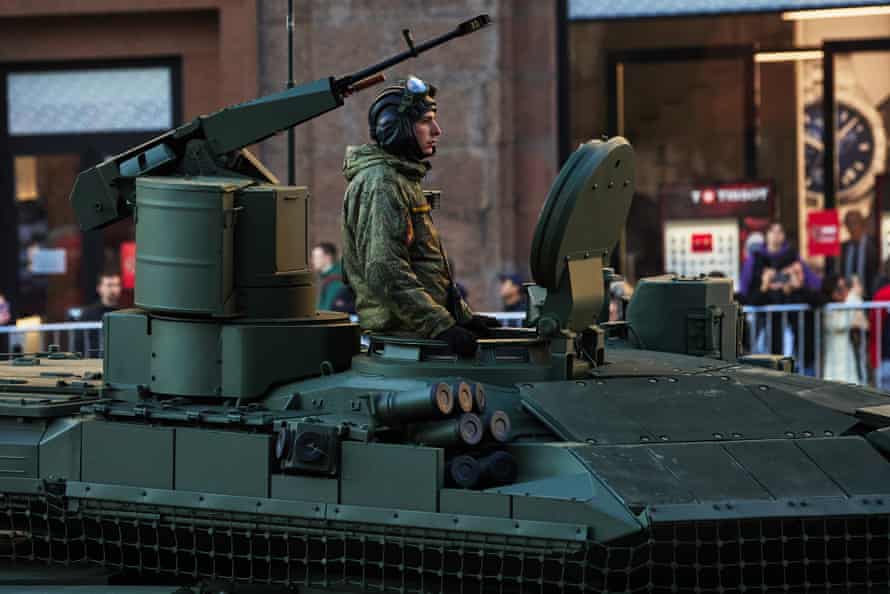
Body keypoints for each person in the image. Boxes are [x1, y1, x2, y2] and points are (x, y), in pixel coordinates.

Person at [341, 76, 497, 357]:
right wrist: (441, 326)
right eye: (426, 121)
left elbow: (424, 264)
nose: (437, 130)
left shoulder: (399, 178)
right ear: (396, 128)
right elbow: (385, 269)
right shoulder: (381, 182)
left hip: (419, 336)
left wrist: (460, 317)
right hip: (408, 343)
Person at [742, 222, 822, 371]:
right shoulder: (756, 259)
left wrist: (796, 285)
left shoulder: (794, 258)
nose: (775, 236)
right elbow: (747, 292)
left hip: (794, 322)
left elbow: (815, 287)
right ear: (766, 235)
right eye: (772, 232)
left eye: (779, 232)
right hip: (767, 322)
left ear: (784, 236)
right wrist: (765, 286)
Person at [822, 274, 867, 384]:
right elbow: (839, 324)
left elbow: (863, 323)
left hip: (847, 358)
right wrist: (853, 293)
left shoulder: (847, 305)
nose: (844, 291)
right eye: (839, 288)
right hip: (833, 362)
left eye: (845, 287)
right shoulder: (826, 309)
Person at [70, 272, 122, 356]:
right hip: (92, 361)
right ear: (99, 288)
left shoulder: (124, 313)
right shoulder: (88, 314)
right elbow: (78, 342)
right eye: (109, 285)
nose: (113, 289)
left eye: (117, 285)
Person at [840, 209, 879, 299]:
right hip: (848, 296)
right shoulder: (844, 247)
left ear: (862, 224)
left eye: (855, 223)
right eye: (849, 223)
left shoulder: (872, 245)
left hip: (868, 294)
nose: (852, 227)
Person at [311, 242, 350, 312]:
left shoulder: (336, 279)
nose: (313, 261)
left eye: (316, 257)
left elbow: (327, 310)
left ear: (327, 257)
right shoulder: (329, 276)